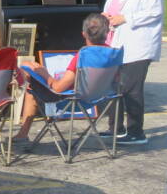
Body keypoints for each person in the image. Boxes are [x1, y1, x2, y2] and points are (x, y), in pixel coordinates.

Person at [14, 13, 111, 141]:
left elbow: (58, 88)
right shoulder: (112, 53)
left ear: (84, 34)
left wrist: (44, 73)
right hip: (98, 98)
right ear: (107, 32)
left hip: (71, 99)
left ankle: (23, 133)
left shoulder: (82, 56)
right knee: (30, 67)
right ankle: (24, 133)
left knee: (30, 84)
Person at [104, 0, 163, 145]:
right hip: (116, 43)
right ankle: (115, 129)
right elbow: (113, 8)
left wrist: (126, 18)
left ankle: (136, 131)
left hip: (138, 45)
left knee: (131, 89)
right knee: (114, 87)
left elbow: (155, 12)